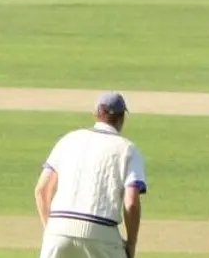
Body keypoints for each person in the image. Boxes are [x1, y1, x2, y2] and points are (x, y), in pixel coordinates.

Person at [35, 92, 147, 258]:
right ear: (121, 118)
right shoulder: (128, 149)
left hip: (57, 229)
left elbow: (41, 190)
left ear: (95, 114)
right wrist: (131, 244)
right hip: (101, 233)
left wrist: (52, 230)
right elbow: (131, 203)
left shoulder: (68, 140)